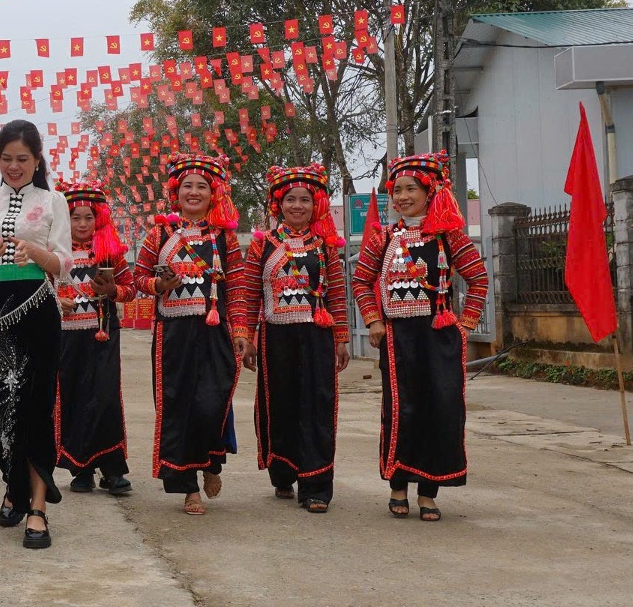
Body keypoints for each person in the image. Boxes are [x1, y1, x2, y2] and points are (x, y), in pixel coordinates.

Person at [350, 152, 488, 522]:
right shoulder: (383, 237)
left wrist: (466, 325)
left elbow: (478, 280)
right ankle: (398, 486)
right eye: (397, 190)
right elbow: (361, 281)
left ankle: (429, 492)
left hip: (439, 337)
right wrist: (374, 320)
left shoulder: (449, 235)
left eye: (411, 189)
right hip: (397, 340)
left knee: (440, 411)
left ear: (430, 192)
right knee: (400, 411)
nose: (402, 197)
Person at [0, 120, 69, 549]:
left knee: (36, 406)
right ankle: (14, 484)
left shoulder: (53, 200)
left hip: (37, 308)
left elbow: (64, 263)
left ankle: (35, 506)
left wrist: (38, 253)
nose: (14, 166)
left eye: (23, 158)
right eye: (7, 158)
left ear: (38, 159)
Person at [133, 153, 249, 516]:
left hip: (215, 333)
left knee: (212, 403)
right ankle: (187, 487)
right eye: (188, 186)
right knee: (177, 408)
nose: (194, 192)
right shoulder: (159, 233)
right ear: (175, 192)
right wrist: (157, 283)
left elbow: (240, 286)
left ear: (213, 194)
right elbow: (138, 278)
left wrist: (242, 329)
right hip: (173, 335)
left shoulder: (224, 237)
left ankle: (212, 462)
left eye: (202, 186)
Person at [241, 164, 350, 514]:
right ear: (279, 204)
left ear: (315, 205)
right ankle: (283, 472)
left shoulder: (325, 247)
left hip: (317, 335)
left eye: (305, 199)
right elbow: (247, 293)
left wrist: (342, 338)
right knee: (280, 404)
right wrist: (248, 336)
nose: (298, 206)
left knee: (317, 406)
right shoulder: (263, 245)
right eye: (291, 199)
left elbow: (336, 296)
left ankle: (316, 484)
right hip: (277, 337)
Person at [55, 180, 137, 496]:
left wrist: (113, 291)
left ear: (98, 219)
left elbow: (130, 289)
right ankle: (82, 469)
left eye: (88, 218)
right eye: (75, 218)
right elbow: (39, 289)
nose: (82, 224)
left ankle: (113, 469)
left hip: (102, 335)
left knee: (105, 399)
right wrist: (55, 299)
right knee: (73, 399)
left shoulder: (110, 253)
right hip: (65, 339)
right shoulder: (54, 253)